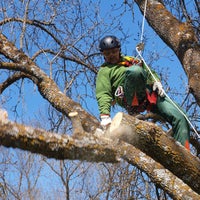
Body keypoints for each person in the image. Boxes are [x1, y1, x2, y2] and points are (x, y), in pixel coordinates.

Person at [96, 35, 190, 150]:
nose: (111, 55)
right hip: (127, 96)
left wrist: (156, 81)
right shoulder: (104, 71)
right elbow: (103, 94)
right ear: (103, 54)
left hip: (148, 94)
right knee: (135, 71)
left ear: (119, 50)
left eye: (113, 51)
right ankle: (134, 109)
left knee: (181, 116)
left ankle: (184, 152)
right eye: (107, 53)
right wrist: (105, 116)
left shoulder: (131, 60)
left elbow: (149, 71)